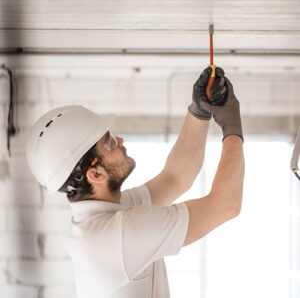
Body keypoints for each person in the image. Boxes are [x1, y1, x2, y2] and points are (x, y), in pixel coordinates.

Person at [26, 67, 245, 298]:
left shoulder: (106, 216)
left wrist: (199, 112)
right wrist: (233, 128)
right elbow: (226, 204)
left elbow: (176, 177)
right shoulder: (119, 233)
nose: (120, 140)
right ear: (96, 174)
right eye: (109, 142)